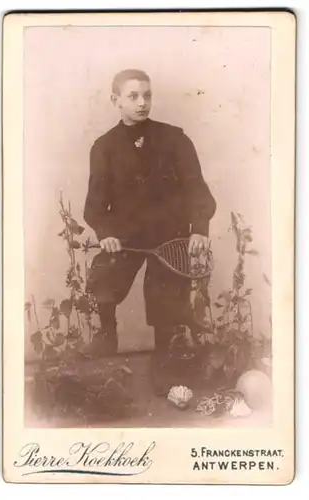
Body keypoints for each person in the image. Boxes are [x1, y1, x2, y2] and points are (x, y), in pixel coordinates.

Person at [84, 69, 216, 394]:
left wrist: (199, 229)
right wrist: (105, 233)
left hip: (169, 237)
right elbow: (95, 204)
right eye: (133, 96)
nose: (142, 103)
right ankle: (106, 333)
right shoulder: (104, 147)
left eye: (147, 95)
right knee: (103, 279)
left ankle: (164, 372)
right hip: (125, 239)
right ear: (116, 101)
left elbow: (196, 188)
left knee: (166, 304)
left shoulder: (175, 140)